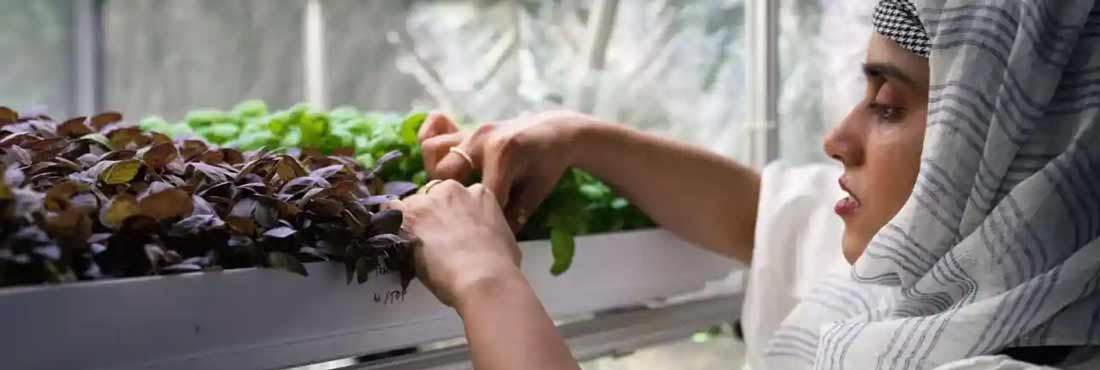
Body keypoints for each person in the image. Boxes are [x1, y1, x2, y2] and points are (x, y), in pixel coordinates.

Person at [387, 0, 1100, 369]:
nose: (837, 138)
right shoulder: (948, 288)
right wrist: (579, 138)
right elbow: (765, 216)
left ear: (1022, 154)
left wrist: (485, 280)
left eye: (889, 105)